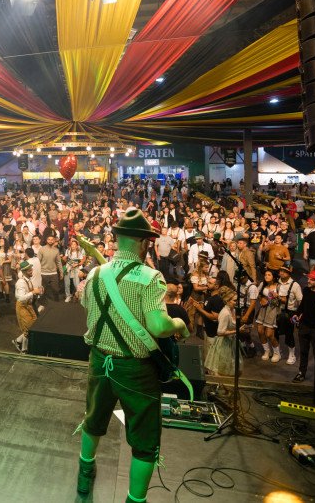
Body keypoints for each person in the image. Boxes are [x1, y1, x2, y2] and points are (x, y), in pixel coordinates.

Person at [77, 209, 189, 500]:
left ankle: (85, 474)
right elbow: (159, 327)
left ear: (117, 239)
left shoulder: (95, 273)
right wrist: (181, 324)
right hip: (136, 371)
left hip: (99, 361)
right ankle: (135, 500)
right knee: (144, 441)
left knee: (93, 419)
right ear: (144, 243)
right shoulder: (151, 278)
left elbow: (87, 306)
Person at [293, 268, 315, 383]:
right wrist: (297, 314)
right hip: (304, 326)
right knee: (303, 351)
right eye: (309, 279)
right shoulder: (306, 290)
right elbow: (302, 305)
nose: (308, 281)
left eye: (312, 279)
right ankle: (301, 373)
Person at [11, 260, 42, 352]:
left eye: (31, 269)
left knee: (32, 327)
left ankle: (17, 341)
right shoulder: (21, 282)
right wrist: (33, 292)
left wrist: (37, 292)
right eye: (29, 270)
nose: (32, 271)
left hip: (28, 305)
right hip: (22, 307)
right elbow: (21, 298)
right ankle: (24, 349)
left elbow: (30, 293)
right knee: (27, 329)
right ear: (24, 272)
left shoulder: (27, 280)